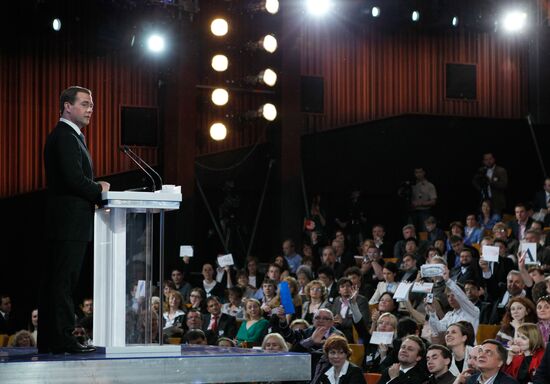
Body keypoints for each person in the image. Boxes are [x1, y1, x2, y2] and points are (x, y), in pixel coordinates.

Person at [40, 86, 110, 354]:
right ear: (67, 106)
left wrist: (94, 185)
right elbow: (72, 179)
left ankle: (52, 339)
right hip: (68, 222)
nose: (90, 108)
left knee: (58, 282)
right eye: (84, 103)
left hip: (66, 221)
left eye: (91, 104)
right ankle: (64, 339)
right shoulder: (66, 137)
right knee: (63, 283)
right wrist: (98, 189)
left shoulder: (70, 135)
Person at [409, 167, 437, 232]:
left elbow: (433, 201)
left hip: (425, 212)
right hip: (412, 212)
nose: (418, 174)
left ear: (424, 173)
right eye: (416, 172)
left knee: (425, 231)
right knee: (411, 230)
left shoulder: (429, 185)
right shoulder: (412, 186)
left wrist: (421, 203)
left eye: (420, 172)